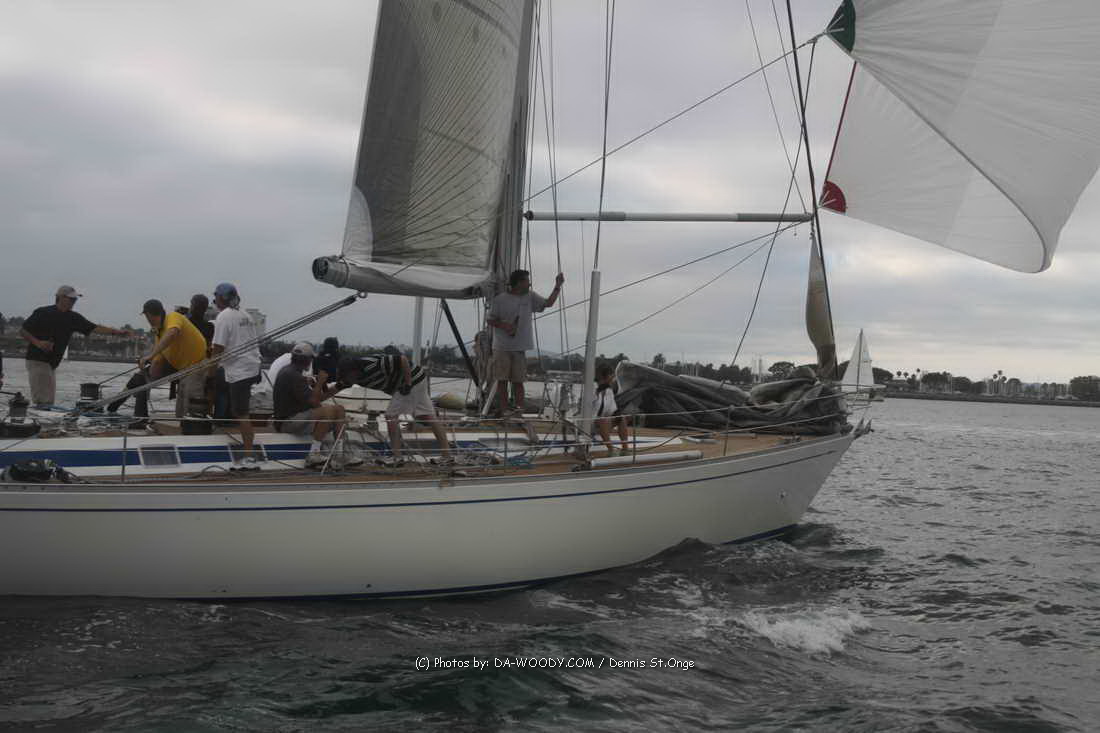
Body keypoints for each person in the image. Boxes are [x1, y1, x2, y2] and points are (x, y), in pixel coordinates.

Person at [20, 286, 129, 406]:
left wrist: (117, 332)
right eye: (71, 299)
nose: (74, 301)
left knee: (48, 399)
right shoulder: (43, 312)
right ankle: (41, 413)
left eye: (75, 299)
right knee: (43, 400)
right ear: (60, 297)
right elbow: (23, 331)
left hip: (51, 363)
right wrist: (38, 343)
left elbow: (94, 328)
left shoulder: (73, 318)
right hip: (37, 360)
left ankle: (44, 413)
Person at [338, 351, 453, 465]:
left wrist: (408, 384)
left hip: (410, 380)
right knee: (428, 417)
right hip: (419, 378)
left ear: (354, 371)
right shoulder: (352, 378)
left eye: (347, 376)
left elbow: (402, 360)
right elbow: (336, 388)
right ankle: (447, 456)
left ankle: (397, 457)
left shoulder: (373, 365)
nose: (347, 379)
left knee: (391, 416)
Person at [486, 269, 563, 415]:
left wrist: (557, 286)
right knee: (502, 380)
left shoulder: (530, 296)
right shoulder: (500, 300)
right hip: (501, 347)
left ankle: (519, 411)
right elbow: (490, 319)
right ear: (519, 283)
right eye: (527, 281)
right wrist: (504, 325)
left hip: (520, 347)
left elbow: (548, 303)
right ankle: (504, 410)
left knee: (518, 381)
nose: (529, 283)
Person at [273, 342, 361, 468]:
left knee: (339, 410)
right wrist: (319, 382)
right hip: (287, 421)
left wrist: (340, 385)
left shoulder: (291, 372)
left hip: (293, 418)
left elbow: (317, 399)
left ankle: (340, 453)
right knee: (327, 411)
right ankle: (314, 454)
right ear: (307, 360)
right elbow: (315, 402)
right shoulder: (294, 376)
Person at [211, 283, 263, 469]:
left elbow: (218, 347)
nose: (214, 300)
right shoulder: (245, 315)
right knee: (238, 410)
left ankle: (249, 457)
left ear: (222, 298)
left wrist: (209, 369)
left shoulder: (223, 317)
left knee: (241, 413)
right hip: (251, 367)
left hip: (240, 370)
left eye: (216, 296)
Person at [138, 299, 208, 418]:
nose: (147, 320)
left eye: (147, 317)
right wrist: (147, 378)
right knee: (180, 410)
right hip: (184, 371)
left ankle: (195, 426)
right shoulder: (159, 334)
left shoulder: (173, 317)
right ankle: (179, 424)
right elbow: (157, 361)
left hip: (198, 365)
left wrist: (150, 355)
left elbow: (173, 332)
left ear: (149, 315)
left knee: (191, 402)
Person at [592, 363, 630, 456]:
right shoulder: (592, 388)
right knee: (603, 420)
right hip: (590, 421)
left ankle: (625, 449)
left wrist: (618, 416)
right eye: (611, 375)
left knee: (622, 418)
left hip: (604, 421)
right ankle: (611, 450)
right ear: (603, 377)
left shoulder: (609, 390)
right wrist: (598, 391)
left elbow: (612, 410)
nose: (613, 378)